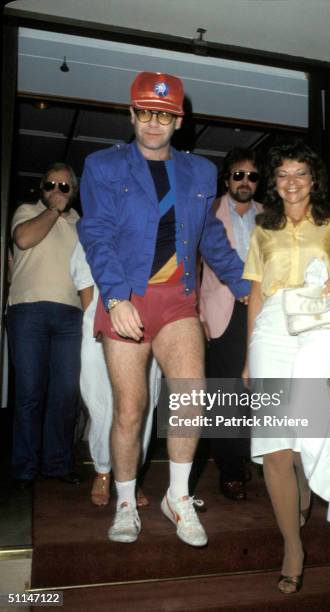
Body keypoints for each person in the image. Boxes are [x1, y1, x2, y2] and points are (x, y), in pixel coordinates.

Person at [78, 71, 249, 545]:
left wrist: (242, 284)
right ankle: (127, 503)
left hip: (177, 299)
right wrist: (114, 298)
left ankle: (178, 498)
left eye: (165, 115)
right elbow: (96, 234)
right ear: (132, 114)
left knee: (191, 396)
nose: (154, 123)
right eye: (146, 113)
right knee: (130, 410)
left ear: (179, 121)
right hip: (127, 296)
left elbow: (209, 235)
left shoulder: (199, 172)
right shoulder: (103, 166)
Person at [242, 141, 330, 594]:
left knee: (306, 430)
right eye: (283, 175)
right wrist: (249, 356)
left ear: (314, 180)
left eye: (300, 174)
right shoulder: (261, 230)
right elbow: (255, 295)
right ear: (273, 183)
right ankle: (293, 546)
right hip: (272, 329)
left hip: (319, 325)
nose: (291, 182)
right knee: (275, 442)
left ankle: (307, 486)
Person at [7, 163, 82, 487]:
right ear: (42, 187)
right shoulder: (27, 211)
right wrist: (53, 210)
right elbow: (23, 240)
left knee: (65, 394)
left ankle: (57, 464)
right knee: (29, 393)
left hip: (71, 315)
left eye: (65, 187)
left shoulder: (80, 223)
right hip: (29, 310)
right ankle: (24, 468)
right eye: (51, 184)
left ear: (74, 192)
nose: (57, 190)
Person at [70, 242, 162, 507]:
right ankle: (103, 469)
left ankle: (131, 476)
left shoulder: (155, 223)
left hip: (147, 321)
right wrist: (96, 322)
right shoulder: (99, 221)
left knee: (142, 404)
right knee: (101, 401)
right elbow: (85, 280)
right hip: (102, 319)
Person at [200, 148, 262, 500]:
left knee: (257, 389)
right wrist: (198, 314)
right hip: (221, 312)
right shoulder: (209, 211)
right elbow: (193, 264)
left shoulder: (269, 217)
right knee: (225, 392)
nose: (245, 181)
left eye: (252, 176)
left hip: (261, 311)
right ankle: (230, 468)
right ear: (227, 180)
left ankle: (250, 456)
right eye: (238, 175)